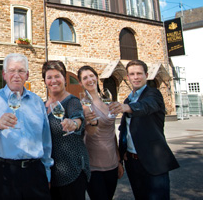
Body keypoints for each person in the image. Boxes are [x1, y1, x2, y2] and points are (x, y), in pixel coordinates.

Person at [0, 53, 53, 200]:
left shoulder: (37, 101)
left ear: (27, 75)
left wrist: (47, 171)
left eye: (21, 71)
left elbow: (46, 139)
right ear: (4, 75)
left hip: (35, 173)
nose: (16, 75)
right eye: (12, 71)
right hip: (3, 173)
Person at [109, 60, 179, 200]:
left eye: (139, 73)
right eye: (132, 74)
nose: (136, 77)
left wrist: (126, 108)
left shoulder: (153, 94)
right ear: (127, 77)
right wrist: (122, 156)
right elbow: (125, 130)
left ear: (146, 75)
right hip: (133, 163)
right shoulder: (129, 99)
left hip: (153, 161)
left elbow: (146, 107)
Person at [42, 60, 90, 200]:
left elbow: (78, 117)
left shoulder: (72, 101)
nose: (53, 80)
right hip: (51, 172)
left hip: (72, 170)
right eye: (49, 77)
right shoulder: (42, 105)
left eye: (57, 76)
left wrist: (73, 124)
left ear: (64, 78)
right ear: (45, 81)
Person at [77, 65, 124, 200]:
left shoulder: (107, 101)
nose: (90, 79)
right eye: (85, 78)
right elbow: (88, 132)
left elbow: (112, 133)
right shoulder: (82, 105)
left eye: (92, 76)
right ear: (80, 83)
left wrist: (119, 160)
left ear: (96, 78)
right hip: (93, 166)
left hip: (112, 163)